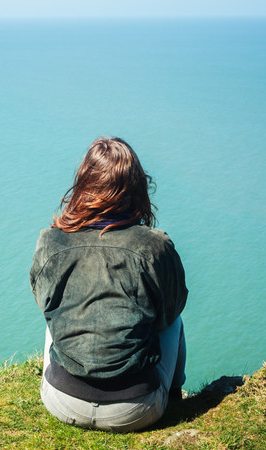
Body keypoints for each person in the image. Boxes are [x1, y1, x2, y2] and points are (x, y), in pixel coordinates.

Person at [29, 136, 188, 432]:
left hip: (62, 401)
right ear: (137, 186)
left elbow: (44, 304)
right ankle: (175, 396)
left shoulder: (51, 240)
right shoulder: (154, 246)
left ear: (82, 185)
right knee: (174, 319)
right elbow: (171, 309)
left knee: (54, 310)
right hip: (136, 409)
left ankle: (63, 380)